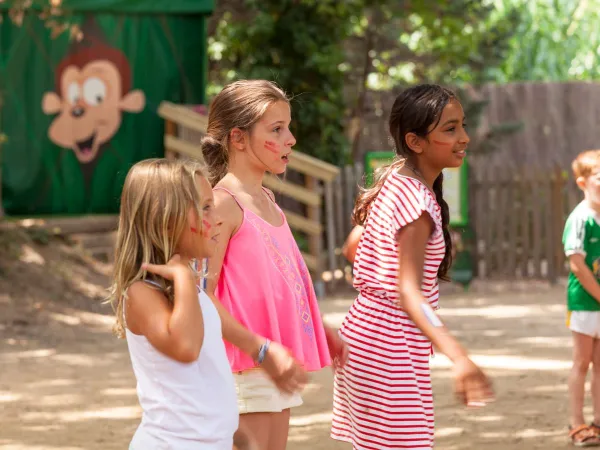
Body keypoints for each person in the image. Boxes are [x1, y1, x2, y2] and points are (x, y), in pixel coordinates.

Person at [331, 84, 494, 450]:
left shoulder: (395, 181)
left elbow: (353, 247)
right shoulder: (417, 203)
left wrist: (381, 276)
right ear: (415, 141)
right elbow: (409, 293)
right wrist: (460, 357)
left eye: (462, 125)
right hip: (387, 345)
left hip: (365, 334)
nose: (464, 138)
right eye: (450, 129)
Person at [108, 158, 301, 449]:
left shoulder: (193, 291)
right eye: (206, 208)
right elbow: (186, 348)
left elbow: (205, 366)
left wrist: (260, 350)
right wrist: (185, 278)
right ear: (166, 218)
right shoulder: (141, 293)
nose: (218, 218)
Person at [202, 79, 348, 450]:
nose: (291, 139)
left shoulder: (266, 199)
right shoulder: (222, 204)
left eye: (288, 127)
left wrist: (319, 328)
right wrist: (259, 349)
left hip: (270, 368)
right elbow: (201, 295)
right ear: (238, 139)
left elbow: (279, 282)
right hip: (243, 369)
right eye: (277, 129)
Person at [563, 149, 600, 446]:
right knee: (582, 362)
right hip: (585, 303)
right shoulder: (579, 219)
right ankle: (577, 423)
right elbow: (577, 263)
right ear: (582, 182)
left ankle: (598, 421)